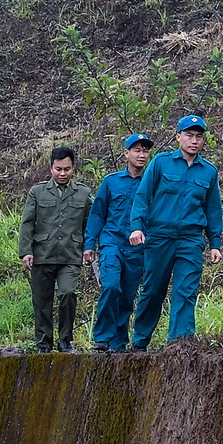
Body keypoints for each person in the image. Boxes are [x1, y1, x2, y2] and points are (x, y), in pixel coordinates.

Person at [128, 115, 223, 349]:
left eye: (199, 137)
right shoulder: (161, 163)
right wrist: (137, 227)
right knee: (153, 290)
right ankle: (140, 343)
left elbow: (213, 210)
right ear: (178, 137)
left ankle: (179, 346)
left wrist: (215, 243)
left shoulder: (208, 172)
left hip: (190, 240)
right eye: (189, 135)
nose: (194, 141)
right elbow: (143, 196)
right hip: (160, 236)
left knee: (186, 291)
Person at [19, 147, 93, 353]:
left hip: (71, 254)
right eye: (58, 169)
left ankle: (65, 340)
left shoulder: (84, 193)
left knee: (68, 293)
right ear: (51, 168)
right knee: (42, 301)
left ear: (73, 169)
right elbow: (27, 223)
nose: (63, 174)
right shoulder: (37, 192)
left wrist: (90, 247)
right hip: (42, 254)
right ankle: (43, 343)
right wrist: (26, 251)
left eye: (67, 169)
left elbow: (90, 223)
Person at [84, 133, 153, 351]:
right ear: (126, 153)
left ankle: (119, 342)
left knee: (127, 296)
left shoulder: (152, 183)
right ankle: (102, 337)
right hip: (111, 242)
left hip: (137, 249)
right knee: (111, 286)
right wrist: (89, 245)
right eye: (136, 150)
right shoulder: (111, 182)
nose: (141, 155)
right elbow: (97, 214)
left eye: (145, 151)